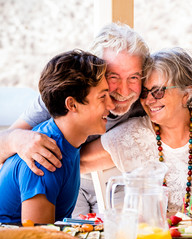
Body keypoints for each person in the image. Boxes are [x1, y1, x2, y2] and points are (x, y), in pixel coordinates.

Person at [0, 23, 192, 216]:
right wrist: (18, 140)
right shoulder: (64, 95)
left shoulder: (143, 100)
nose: (123, 90)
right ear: (96, 72)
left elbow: (179, 106)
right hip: (57, 177)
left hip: (113, 179)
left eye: (134, 77)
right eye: (113, 76)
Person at [81, 47, 192, 211]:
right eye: (144, 92)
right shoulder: (132, 135)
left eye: (158, 91)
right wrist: (53, 140)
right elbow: (78, 161)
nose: (149, 100)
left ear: (186, 94)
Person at [0, 49, 114, 223]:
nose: (111, 105)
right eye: (102, 97)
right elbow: (39, 236)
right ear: (72, 104)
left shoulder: (68, 141)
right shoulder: (45, 159)